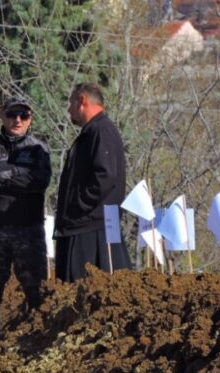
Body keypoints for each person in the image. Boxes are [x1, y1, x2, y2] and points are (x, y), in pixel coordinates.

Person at [0, 96, 51, 353]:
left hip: (28, 231)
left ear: (31, 119)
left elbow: (39, 181)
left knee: (37, 292)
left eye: (23, 116)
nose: (17, 120)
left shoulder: (39, 149)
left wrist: (3, 173)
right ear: (3, 116)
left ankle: (39, 347)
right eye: (12, 115)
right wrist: (17, 173)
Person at [54, 83, 131, 282]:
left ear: (82, 101)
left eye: (71, 102)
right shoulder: (93, 132)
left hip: (90, 230)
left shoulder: (101, 131)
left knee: (84, 293)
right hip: (88, 226)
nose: (69, 109)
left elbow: (105, 176)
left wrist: (77, 205)